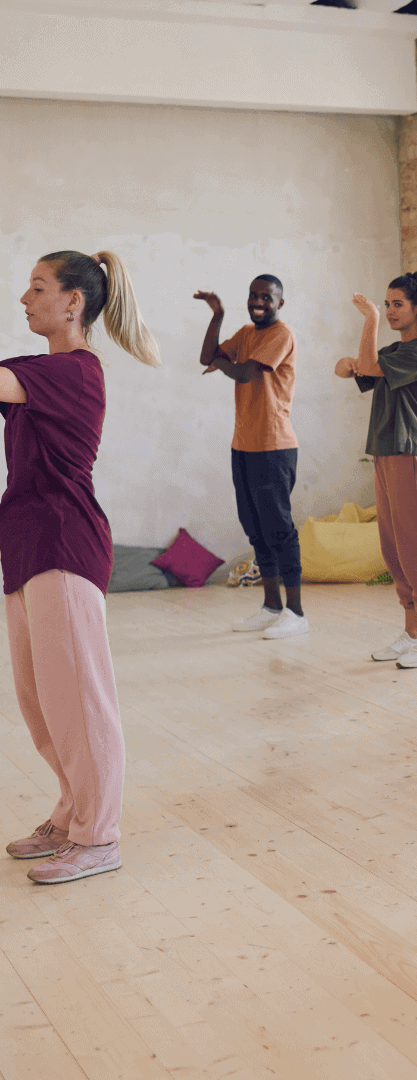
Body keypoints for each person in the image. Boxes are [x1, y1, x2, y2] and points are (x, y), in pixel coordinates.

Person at [2, 250, 159, 883]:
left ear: (74, 301)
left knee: (79, 697)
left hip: (65, 544)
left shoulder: (77, 372)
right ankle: (72, 812)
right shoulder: (31, 369)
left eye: (37, 288)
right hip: (24, 544)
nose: (23, 299)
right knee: (41, 698)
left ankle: (99, 835)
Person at [335, 272, 417, 668]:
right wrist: (350, 364)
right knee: (394, 548)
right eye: (385, 305)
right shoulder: (396, 351)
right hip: (387, 453)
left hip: (413, 455)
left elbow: (368, 365)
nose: (388, 311)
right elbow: (360, 369)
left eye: (396, 304)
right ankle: (412, 633)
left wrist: (367, 320)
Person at [195, 276, 307, 639]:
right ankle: (271, 606)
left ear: (280, 303)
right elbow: (205, 356)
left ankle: (296, 613)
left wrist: (223, 364)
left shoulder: (280, 334)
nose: (258, 302)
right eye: (253, 296)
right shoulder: (245, 333)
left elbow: (244, 373)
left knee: (279, 529)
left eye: (267, 297)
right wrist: (218, 316)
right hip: (243, 445)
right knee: (255, 529)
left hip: (274, 446)